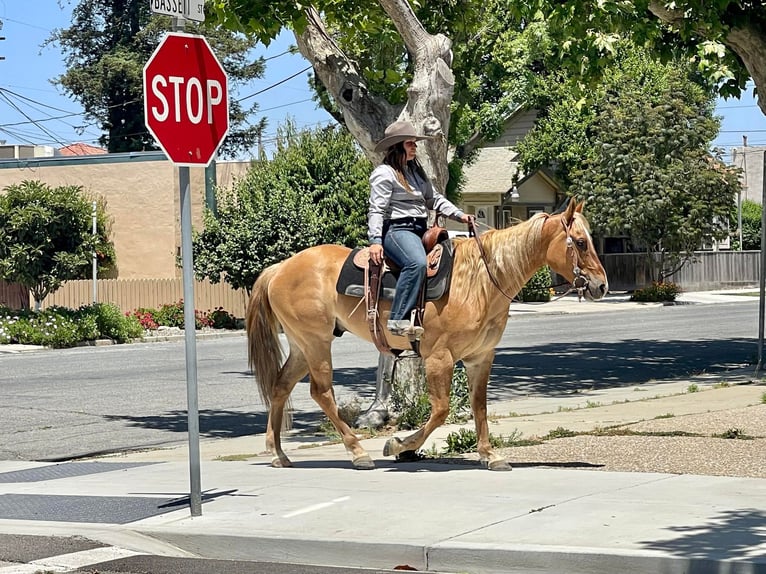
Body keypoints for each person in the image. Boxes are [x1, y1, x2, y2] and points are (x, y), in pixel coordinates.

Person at [368, 120, 474, 337]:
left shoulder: (417, 173)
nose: (415, 146)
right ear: (397, 146)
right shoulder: (384, 173)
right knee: (416, 263)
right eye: (410, 143)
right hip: (398, 231)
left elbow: (434, 199)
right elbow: (376, 210)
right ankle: (397, 319)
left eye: (415, 142)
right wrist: (376, 241)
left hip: (421, 230)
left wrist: (460, 215)